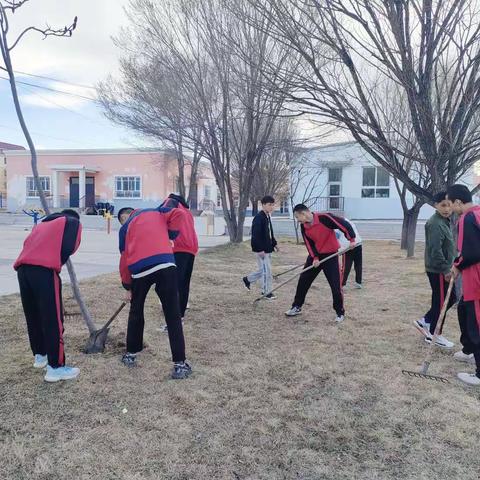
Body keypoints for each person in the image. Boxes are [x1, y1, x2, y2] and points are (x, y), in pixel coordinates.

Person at [118, 205, 192, 380]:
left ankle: (131, 355)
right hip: (165, 264)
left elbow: (124, 258)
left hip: (139, 269)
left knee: (136, 311)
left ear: (127, 215)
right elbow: (180, 213)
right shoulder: (157, 211)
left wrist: (127, 286)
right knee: (172, 315)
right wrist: (171, 233)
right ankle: (180, 365)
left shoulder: (124, 228)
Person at [14, 209, 82, 383]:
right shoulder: (71, 221)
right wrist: (57, 260)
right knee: (53, 319)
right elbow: (71, 246)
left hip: (23, 269)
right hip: (44, 270)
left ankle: (40, 355)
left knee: (33, 314)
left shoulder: (42, 224)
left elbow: (26, 243)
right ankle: (56, 368)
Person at [285, 204, 355, 322]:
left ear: (304, 213)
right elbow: (309, 244)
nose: (298, 220)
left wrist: (351, 239)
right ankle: (296, 306)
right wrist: (315, 258)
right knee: (303, 280)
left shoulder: (324, 218)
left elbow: (343, 224)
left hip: (330, 255)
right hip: (316, 256)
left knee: (335, 285)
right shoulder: (304, 226)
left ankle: (340, 312)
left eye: (297, 217)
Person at [413, 192, 456, 349]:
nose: (446, 209)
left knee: (447, 299)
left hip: (444, 267)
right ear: (435, 205)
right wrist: (446, 269)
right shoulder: (435, 224)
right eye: (442, 205)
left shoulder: (444, 221)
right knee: (443, 301)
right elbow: (435, 250)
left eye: (449, 205)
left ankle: (426, 321)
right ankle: (434, 335)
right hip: (438, 269)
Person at [448, 184, 480, 385]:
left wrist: (457, 265)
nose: (451, 208)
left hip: (475, 279)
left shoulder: (467, 218)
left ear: (458, 202)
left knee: (475, 324)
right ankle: (469, 350)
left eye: (451, 204)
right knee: (467, 314)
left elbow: (471, 253)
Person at [159, 194, 199, 330]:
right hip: (191, 248)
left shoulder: (170, 202)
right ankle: (180, 317)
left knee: (173, 284)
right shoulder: (187, 211)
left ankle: (173, 321)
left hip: (178, 247)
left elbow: (161, 215)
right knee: (183, 284)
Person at [242, 195, 278, 299]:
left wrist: (274, 244)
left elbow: (269, 233)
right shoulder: (259, 218)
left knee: (264, 270)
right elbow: (255, 235)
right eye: (269, 205)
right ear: (263, 205)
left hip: (267, 249)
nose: (271, 207)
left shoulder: (267, 217)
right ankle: (266, 292)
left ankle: (248, 280)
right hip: (262, 250)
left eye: (272, 205)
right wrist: (259, 249)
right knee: (266, 271)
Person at [336, 218, 363, 289]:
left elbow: (336, 237)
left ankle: (342, 284)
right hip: (358, 243)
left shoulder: (337, 224)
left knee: (346, 266)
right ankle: (358, 282)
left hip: (348, 247)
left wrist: (338, 250)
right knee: (358, 265)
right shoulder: (348, 221)